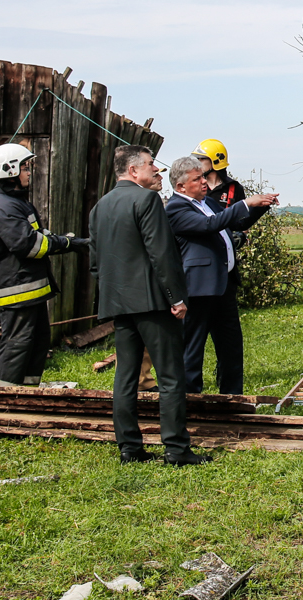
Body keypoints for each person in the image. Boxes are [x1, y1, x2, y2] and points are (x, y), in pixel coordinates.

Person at [88, 144, 206, 466]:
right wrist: (176, 298)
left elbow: (95, 262)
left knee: (125, 377)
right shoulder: (147, 200)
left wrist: (114, 295)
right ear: (133, 170)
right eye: (151, 164)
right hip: (153, 304)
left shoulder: (100, 207)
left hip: (119, 305)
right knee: (170, 377)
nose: (157, 170)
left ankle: (129, 448)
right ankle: (177, 450)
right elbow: (162, 254)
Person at [164, 155, 278, 395]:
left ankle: (231, 395)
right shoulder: (176, 208)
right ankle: (190, 397)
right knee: (193, 346)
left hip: (224, 285)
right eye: (197, 179)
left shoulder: (208, 203)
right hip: (198, 288)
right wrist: (245, 202)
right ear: (180, 186)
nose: (204, 182)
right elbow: (209, 225)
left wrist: (261, 206)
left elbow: (235, 223)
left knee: (231, 345)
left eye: (204, 177)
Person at [0, 143, 90, 387]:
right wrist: (67, 244)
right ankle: (5, 400)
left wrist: (67, 241)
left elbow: (40, 234)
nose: (29, 171)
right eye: (24, 167)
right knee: (18, 343)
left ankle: (27, 393)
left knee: (37, 340)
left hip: (29, 288)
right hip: (17, 290)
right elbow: (29, 245)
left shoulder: (17, 202)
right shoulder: (4, 207)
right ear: (10, 171)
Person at [194, 138, 246, 213]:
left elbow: (241, 219)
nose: (199, 162)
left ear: (215, 161)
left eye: (202, 159)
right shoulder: (195, 186)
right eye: (198, 159)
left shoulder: (235, 188)